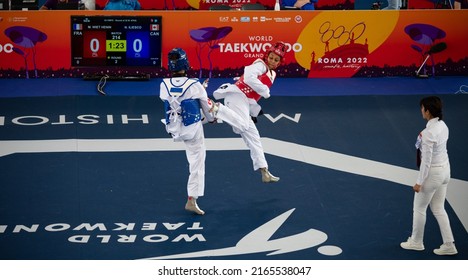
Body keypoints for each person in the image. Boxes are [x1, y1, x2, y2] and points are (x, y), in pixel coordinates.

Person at [210, 42, 286, 184]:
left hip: (245, 102)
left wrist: (253, 107)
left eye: (276, 60)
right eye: (271, 57)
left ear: (280, 62)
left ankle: (264, 170)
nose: (272, 61)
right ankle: (217, 108)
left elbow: (254, 94)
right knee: (243, 126)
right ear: (266, 56)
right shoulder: (260, 65)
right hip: (236, 95)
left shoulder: (272, 73)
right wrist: (265, 90)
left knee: (254, 136)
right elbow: (249, 77)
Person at [160, 48, 216, 215]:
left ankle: (193, 198)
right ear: (186, 63)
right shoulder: (195, 84)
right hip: (192, 129)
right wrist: (212, 119)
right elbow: (206, 108)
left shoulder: (163, 84)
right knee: (197, 161)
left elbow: (174, 99)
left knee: (194, 156)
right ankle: (192, 199)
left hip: (174, 127)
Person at [400, 96, 457, 256]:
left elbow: (426, 162)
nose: (421, 111)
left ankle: (416, 242)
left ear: (428, 111)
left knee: (419, 208)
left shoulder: (428, 133)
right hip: (445, 171)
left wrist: (419, 182)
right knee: (439, 209)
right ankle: (449, 244)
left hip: (432, 174)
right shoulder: (443, 126)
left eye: (422, 108)